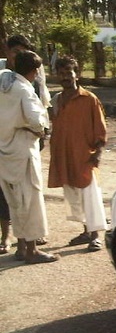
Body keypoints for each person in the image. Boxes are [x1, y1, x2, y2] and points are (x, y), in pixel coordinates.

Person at [0, 51, 57, 264]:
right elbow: (36, 120)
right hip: (23, 151)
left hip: (4, 152)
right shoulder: (24, 89)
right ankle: (32, 250)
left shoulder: (3, 82)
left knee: (14, 201)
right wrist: (40, 131)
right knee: (30, 201)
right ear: (34, 71)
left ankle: (21, 246)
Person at [48, 56, 108, 252]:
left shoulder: (89, 99)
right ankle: (85, 230)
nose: (66, 77)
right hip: (65, 155)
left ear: (77, 74)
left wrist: (97, 152)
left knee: (90, 194)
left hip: (85, 155)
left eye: (69, 72)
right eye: (62, 73)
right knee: (73, 194)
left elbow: (100, 128)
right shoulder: (56, 101)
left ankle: (95, 235)